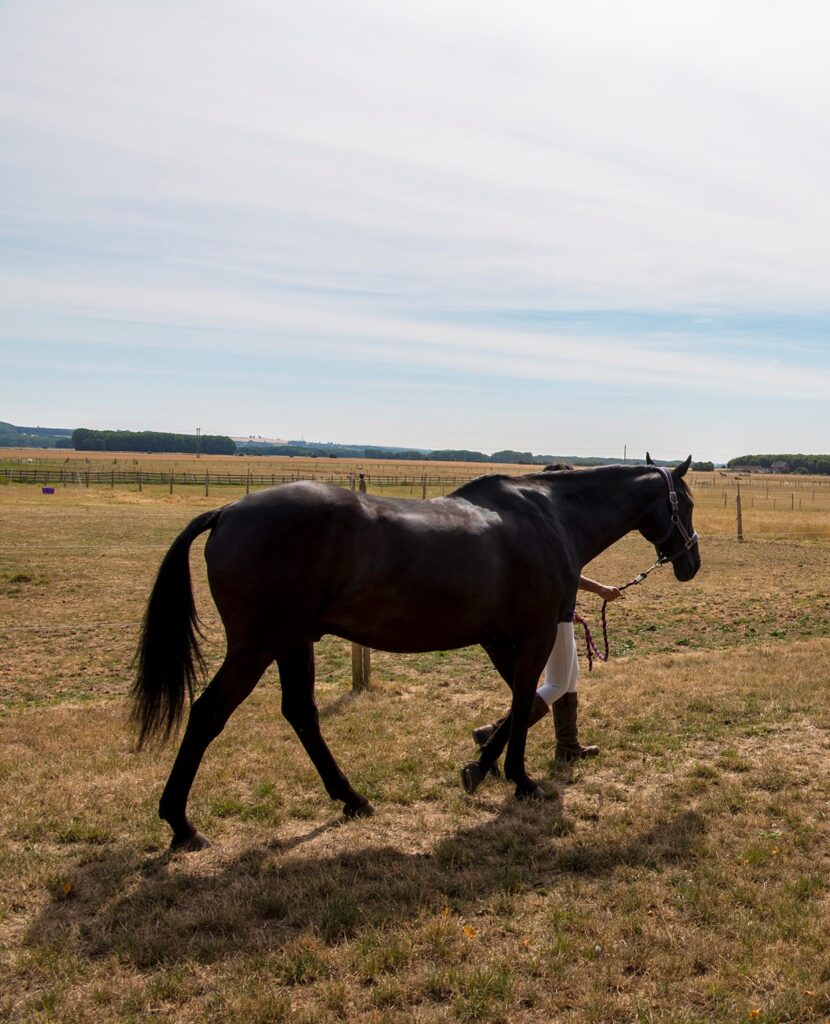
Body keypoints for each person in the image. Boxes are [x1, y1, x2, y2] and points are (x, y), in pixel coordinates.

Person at [472, 463, 623, 763]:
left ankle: (567, 746)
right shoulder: (552, 528)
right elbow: (565, 575)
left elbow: (566, 575)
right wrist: (601, 591)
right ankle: (495, 732)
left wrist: (601, 590)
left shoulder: (541, 524)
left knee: (569, 679)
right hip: (556, 615)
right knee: (557, 684)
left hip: (558, 612)